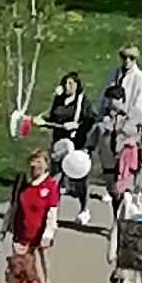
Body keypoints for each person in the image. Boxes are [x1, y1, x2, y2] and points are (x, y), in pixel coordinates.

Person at [41, 73, 94, 225]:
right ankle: (53, 212)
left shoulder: (82, 102)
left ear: (77, 85)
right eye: (65, 83)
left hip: (76, 145)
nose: (67, 86)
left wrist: (76, 126)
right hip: (59, 144)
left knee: (79, 180)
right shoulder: (59, 100)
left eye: (71, 83)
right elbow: (53, 118)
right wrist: (44, 121)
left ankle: (84, 209)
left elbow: (89, 120)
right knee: (55, 179)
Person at [6, 149, 58, 283]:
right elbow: (13, 207)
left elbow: (52, 212)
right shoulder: (22, 183)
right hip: (21, 234)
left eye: (39, 161)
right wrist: (5, 228)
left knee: (40, 272)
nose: (35, 165)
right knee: (20, 270)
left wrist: (48, 234)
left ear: (46, 164)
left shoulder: (50, 185)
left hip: (39, 237)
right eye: (33, 161)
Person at [95, 46, 142, 117]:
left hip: (128, 118)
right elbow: (103, 93)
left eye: (131, 58)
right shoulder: (114, 72)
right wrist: (96, 112)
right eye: (124, 57)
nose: (127, 61)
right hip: (109, 115)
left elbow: (139, 105)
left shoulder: (139, 78)